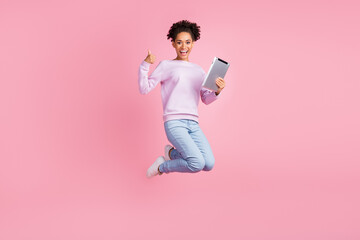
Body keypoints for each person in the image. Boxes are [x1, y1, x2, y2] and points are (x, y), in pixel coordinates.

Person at [138, 19, 226, 178]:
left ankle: (171, 153)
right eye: (179, 42)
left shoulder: (198, 70)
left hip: (193, 123)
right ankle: (161, 167)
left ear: (193, 44)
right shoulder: (166, 66)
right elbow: (144, 88)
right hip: (174, 122)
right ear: (173, 43)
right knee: (196, 163)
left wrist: (217, 91)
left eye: (187, 42)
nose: (183, 47)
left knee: (208, 163)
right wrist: (145, 65)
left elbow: (205, 99)